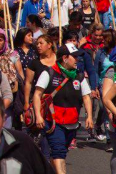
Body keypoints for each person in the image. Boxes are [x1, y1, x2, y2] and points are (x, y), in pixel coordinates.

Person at [33, 44, 94, 174]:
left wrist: (89, 116)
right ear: (65, 58)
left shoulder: (79, 76)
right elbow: (37, 94)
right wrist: (38, 116)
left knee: (60, 153)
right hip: (54, 122)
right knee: (58, 151)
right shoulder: (48, 72)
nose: (77, 60)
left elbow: (86, 97)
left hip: (72, 123)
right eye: (75, 57)